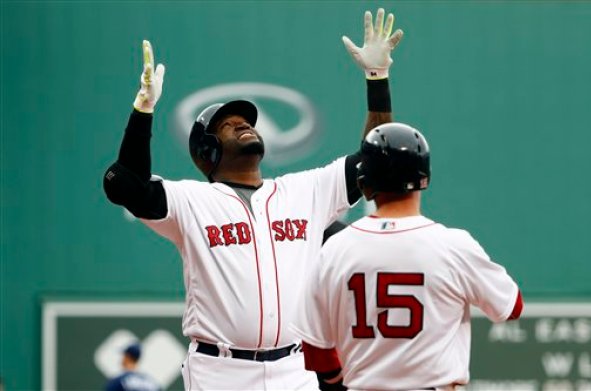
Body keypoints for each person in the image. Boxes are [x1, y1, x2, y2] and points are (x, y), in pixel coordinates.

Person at [103, 8, 403, 391]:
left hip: (295, 369)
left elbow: (375, 158)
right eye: (228, 126)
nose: (243, 124)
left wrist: (377, 80)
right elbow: (125, 184)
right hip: (219, 370)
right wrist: (143, 111)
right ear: (207, 152)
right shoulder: (191, 200)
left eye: (246, 122)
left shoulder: (303, 191)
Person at [291, 122, 524, 391]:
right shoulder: (454, 245)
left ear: (364, 186)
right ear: (425, 178)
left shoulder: (335, 248)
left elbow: (316, 349)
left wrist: (338, 380)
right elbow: (512, 307)